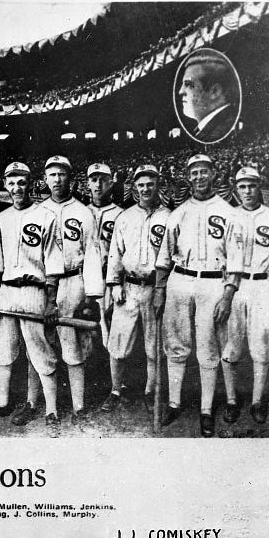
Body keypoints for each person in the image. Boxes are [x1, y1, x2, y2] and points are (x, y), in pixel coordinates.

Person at [154, 153, 245, 437]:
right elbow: (165, 256)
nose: (199, 177)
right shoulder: (178, 212)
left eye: (204, 172)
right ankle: (174, 402)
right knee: (176, 343)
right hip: (180, 280)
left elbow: (236, 258)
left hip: (213, 283)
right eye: (194, 173)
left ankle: (206, 409)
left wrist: (228, 294)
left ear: (214, 174)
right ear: (188, 177)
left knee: (208, 348)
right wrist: (159, 290)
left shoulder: (229, 212)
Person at [0, 162, 64, 437]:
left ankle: (50, 408)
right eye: (12, 182)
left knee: (40, 351)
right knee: (3, 350)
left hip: (34, 289)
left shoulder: (45, 216)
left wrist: (51, 300)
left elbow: (54, 261)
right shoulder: (1, 218)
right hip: (6, 291)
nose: (17, 188)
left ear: (31, 184)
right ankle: (2, 403)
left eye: (21, 182)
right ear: (5, 185)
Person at [39, 156, 105, 429]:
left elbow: (92, 254)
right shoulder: (37, 211)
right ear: (45, 179)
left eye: (62, 174)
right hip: (43, 285)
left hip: (74, 280)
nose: (57, 179)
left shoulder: (83, 212)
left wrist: (91, 296)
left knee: (74, 347)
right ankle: (50, 409)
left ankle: (78, 406)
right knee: (43, 346)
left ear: (71, 178)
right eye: (52, 174)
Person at [102, 165, 169, 415]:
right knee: (117, 343)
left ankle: (151, 391)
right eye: (140, 184)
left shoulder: (168, 216)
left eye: (150, 183)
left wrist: (164, 289)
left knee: (154, 345)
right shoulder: (125, 216)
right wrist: (114, 283)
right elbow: (115, 253)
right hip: (128, 287)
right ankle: (115, 390)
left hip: (155, 288)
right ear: (134, 187)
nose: (145, 189)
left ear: (157, 185)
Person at [220, 167, 269, 426]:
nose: (247, 191)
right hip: (236, 285)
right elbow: (220, 254)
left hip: (265, 285)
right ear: (236, 189)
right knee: (231, 346)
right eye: (242, 186)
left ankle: (257, 400)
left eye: (252, 186)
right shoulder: (229, 216)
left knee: (262, 344)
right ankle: (232, 400)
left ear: (260, 187)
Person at [85, 162, 123, 390]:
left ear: (111, 183)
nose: (98, 184)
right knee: (86, 331)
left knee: (112, 332)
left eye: (103, 179)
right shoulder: (80, 212)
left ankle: (116, 387)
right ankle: (90, 384)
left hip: (110, 279)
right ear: (87, 183)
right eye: (94, 179)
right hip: (86, 280)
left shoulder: (121, 214)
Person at [177, 50, 239, 143]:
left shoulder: (222, 127)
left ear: (214, 91)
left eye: (188, 84)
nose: (180, 91)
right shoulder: (209, 128)